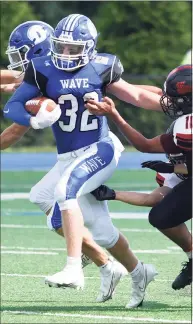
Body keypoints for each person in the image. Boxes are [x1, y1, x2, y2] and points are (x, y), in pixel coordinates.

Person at [3, 14, 165, 308]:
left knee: (65, 191)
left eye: (73, 49)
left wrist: (173, 105)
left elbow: (138, 95)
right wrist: (34, 120)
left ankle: (74, 267)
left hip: (100, 149)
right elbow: (11, 107)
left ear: (89, 47)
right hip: (69, 156)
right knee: (78, 216)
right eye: (61, 47)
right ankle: (138, 272)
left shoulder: (101, 67)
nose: (65, 54)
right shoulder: (42, 70)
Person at [86, 64, 192, 290]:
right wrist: (113, 194)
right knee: (161, 216)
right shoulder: (182, 133)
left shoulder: (186, 130)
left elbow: (144, 145)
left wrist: (114, 115)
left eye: (174, 98)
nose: (168, 102)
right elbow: (153, 199)